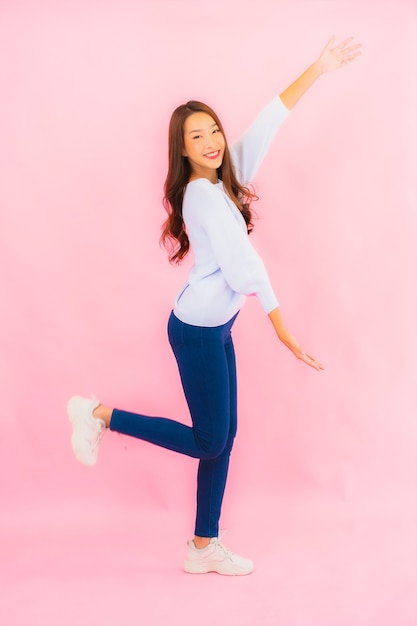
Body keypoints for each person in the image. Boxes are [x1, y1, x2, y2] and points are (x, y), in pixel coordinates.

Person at [67, 36, 361, 576]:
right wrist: (282, 329)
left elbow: (267, 123)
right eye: (195, 136)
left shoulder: (223, 179)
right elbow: (243, 265)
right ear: (181, 148)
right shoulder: (201, 195)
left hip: (213, 328)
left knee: (222, 437)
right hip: (198, 332)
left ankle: (203, 545)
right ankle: (98, 414)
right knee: (210, 439)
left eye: (214, 130)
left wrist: (318, 68)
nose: (211, 141)